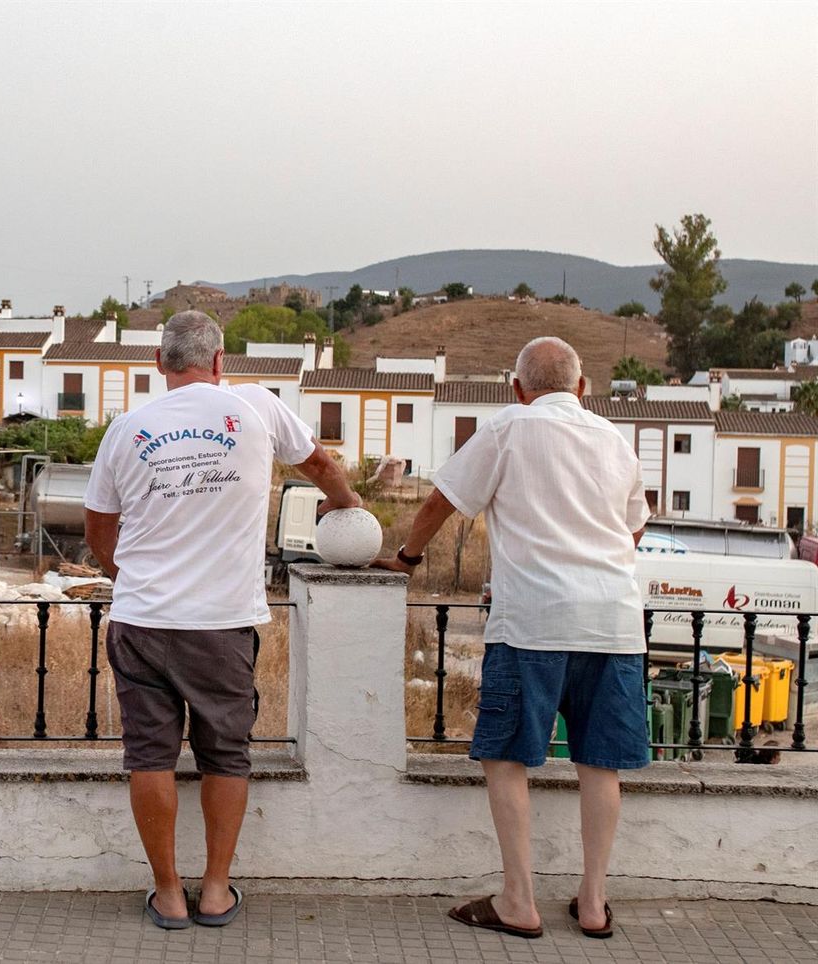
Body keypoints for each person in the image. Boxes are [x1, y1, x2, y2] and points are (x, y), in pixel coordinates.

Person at [83, 310, 359, 929]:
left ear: (160, 364)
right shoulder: (257, 406)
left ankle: (166, 894)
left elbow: (99, 526)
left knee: (149, 757)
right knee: (226, 755)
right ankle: (213, 890)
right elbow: (320, 467)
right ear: (219, 360)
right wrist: (351, 509)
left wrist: (125, 577)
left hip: (143, 622)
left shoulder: (127, 428)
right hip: (221, 623)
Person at [374, 336, 650, 941]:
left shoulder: (507, 429)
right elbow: (635, 527)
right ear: (583, 389)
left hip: (533, 622)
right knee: (601, 764)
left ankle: (519, 900)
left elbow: (443, 500)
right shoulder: (614, 441)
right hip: (615, 623)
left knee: (505, 756)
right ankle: (595, 903)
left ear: (517, 389)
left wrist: (407, 557)